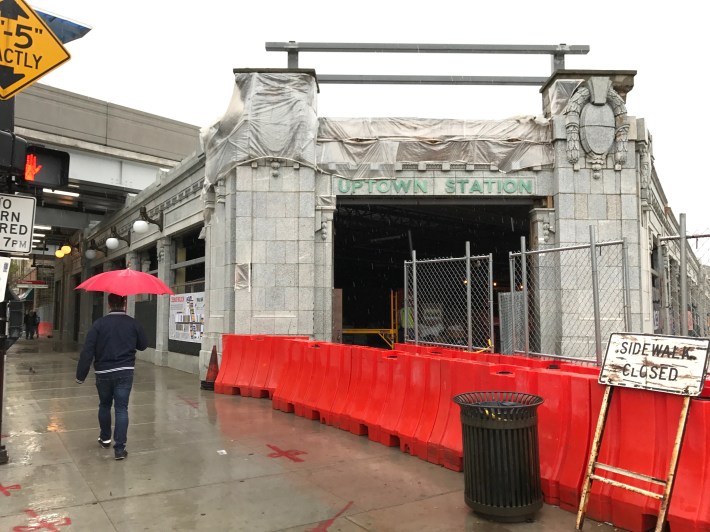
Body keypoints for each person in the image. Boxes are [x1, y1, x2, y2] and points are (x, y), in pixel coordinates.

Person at [75, 293, 148, 460]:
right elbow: (143, 345)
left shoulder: (98, 325)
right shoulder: (133, 323)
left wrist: (81, 375)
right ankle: (120, 449)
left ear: (108, 304)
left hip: (103, 373)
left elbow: (88, 351)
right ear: (124, 303)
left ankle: (105, 438)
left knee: (105, 405)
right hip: (125, 371)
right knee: (122, 408)